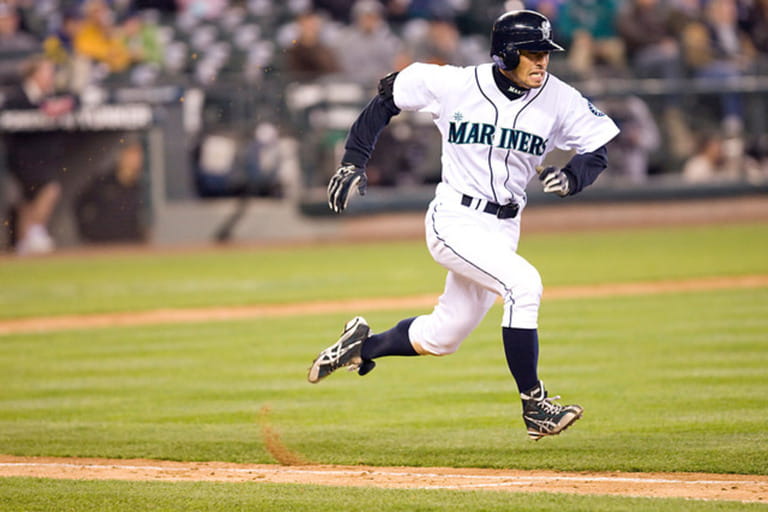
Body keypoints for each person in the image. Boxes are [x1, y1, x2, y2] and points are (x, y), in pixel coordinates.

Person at [307, 10, 620, 441]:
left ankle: (362, 346)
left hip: (504, 228)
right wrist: (353, 161)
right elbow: (386, 98)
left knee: (443, 336)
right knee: (524, 285)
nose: (542, 60)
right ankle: (535, 406)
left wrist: (572, 178)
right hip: (455, 218)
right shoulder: (455, 84)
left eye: (545, 52)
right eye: (532, 52)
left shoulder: (559, 98)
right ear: (505, 53)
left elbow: (597, 149)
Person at [3, 55, 75, 255]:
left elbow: (74, 99)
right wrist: (42, 110)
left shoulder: (51, 94)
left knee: (30, 201)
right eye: (46, 72)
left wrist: (60, 106)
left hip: (44, 156)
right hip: (22, 158)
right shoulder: (18, 96)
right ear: (33, 75)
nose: (51, 76)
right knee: (48, 190)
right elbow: (10, 112)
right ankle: (34, 233)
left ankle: (24, 242)